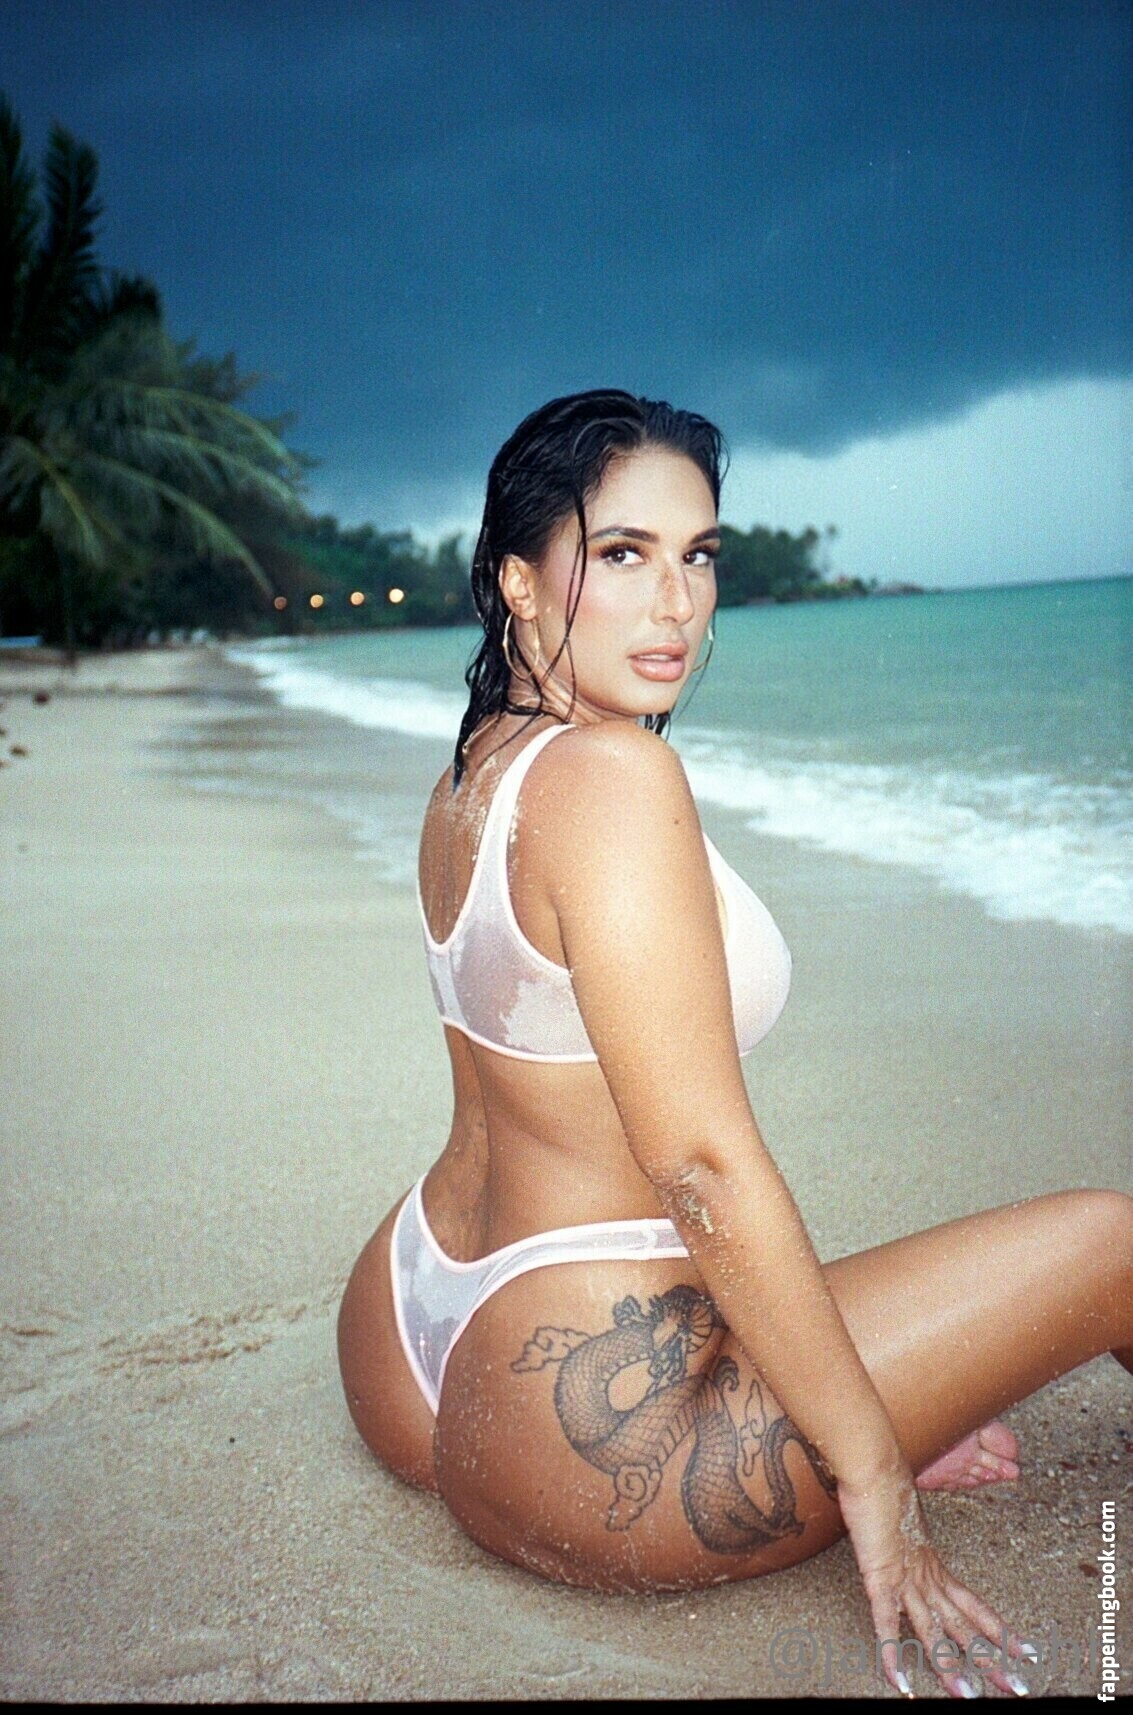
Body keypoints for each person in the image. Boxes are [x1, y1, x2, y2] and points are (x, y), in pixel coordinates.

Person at [337, 389, 1132, 1698]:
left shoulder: (485, 762)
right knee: (1114, 1242)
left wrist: (883, 1398)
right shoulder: (612, 779)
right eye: (622, 554)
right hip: (577, 1432)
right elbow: (698, 1166)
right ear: (518, 584)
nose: (676, 604)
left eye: (697, 555)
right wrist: (870, 1471)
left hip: (410, 1325)